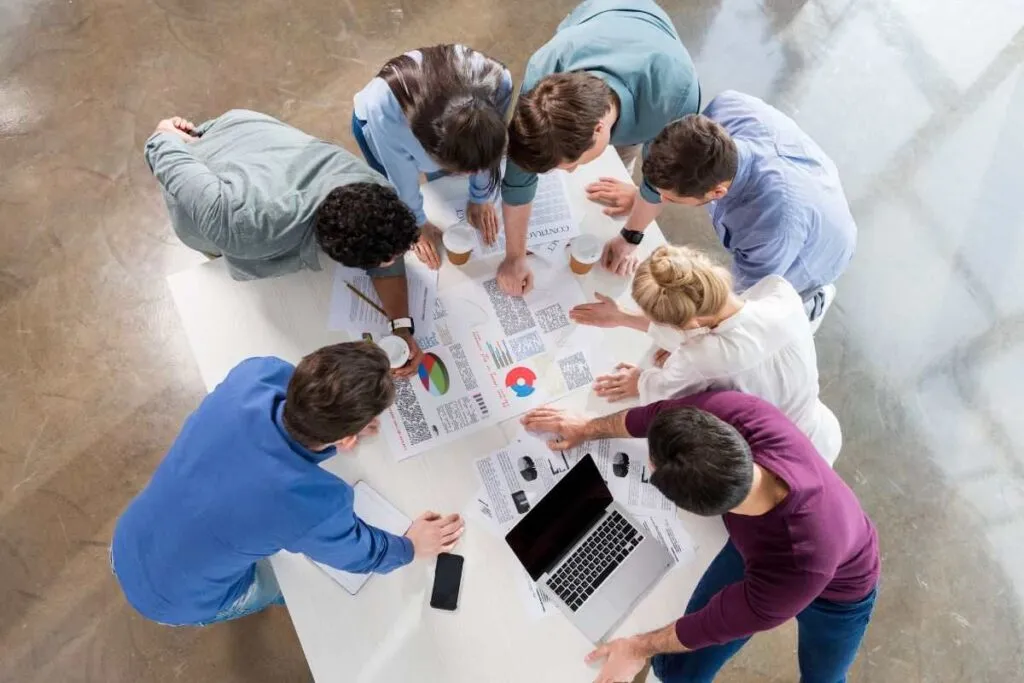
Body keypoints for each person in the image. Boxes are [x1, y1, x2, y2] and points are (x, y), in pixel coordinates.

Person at [521, 391, 880, 683]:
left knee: (824, 675)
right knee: (677, 671)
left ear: (700, 509)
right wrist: (589, 428)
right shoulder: (736, 413)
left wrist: (637, 647)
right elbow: (657, 415)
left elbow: (714, 623)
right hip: (760, 549)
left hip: (840, 592)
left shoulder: (798, 566)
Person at [111, 342, 465, 626]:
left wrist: (336, 427)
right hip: (177, 602)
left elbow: (283, 432)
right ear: (347, 438)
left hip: (128, 537)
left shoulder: (255, 374)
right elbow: (359, 554)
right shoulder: (312, 503)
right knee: (292, 586)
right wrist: (410, 547)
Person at [144, 110, 426, 374]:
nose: (391, 263)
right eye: (382, 261)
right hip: (207, 156)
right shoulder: (242, 226)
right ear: (332, 250)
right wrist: (165, 136)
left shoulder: (374, 190)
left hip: (259, 146)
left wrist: (401, 327)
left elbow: (384, 246)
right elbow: (167, 159)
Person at [608, 90, 858, 331]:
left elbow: (733, 308)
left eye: (668, 197)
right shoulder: (727, 108)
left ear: (717, 193)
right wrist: (642, 199)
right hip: (806, 189)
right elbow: (680, 161)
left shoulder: (770, 227)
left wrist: (659, 327)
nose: (658, 198)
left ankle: (813, 304)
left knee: (762, 317)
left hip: (814, 254)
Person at [496, 0, 699, 296]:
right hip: (595, 19)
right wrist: (514, 256)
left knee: (632, 166)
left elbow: (663, 178)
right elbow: (519, 173)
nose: (566, 173)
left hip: (652, 67)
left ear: (600, 129)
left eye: (570, 164)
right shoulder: (546, 67)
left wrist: (630, 237)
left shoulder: (675, 96)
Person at [570, 244, 841, 465]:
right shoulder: (779, 291)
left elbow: (662, 398)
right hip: (821, 426)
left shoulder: (699, 357)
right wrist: (623, 317)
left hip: (779, 457)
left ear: (688, 326)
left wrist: (641, 380)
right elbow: (727, 328)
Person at [353, 44, 513, 267]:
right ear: (430, 148)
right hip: (376, 126)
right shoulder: (384, 107)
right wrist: (415, 223)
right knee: (390, 193)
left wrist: (481, 196)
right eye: (465, 170)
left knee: (444, 191)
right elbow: (401, 176)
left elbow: (485, 144)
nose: (471, 173)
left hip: (443, 139)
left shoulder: (499, 82)